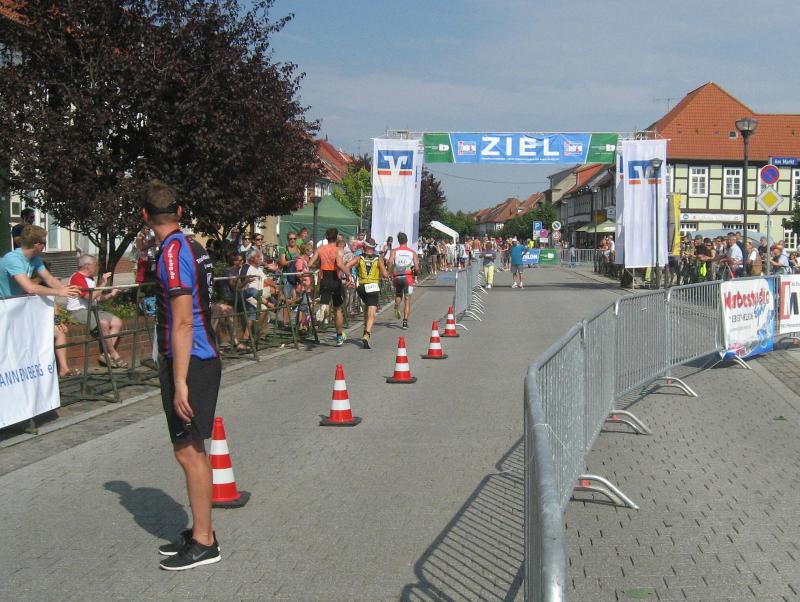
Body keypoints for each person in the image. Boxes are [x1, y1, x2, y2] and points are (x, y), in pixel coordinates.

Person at [141, 180, 222, 571]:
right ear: (180, 211)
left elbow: (184, 320)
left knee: (187, 452)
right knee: (192, 450)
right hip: (200, 357)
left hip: (191, 360)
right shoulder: (192, 246)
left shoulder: (172, 253)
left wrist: (179, 382)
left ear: (145, 216)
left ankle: (205, 542)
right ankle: (201, 531)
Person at [67, 255, 127, 368]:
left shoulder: (90, 279)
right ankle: (113, 353)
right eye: (95, 265)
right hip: (79, 311)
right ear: (87, 266)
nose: (96, 267)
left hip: (92, 309)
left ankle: (106, 355)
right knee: (104, 323)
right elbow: (88, 297)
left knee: (117, 322)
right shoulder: (77, 278)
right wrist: (103, 284)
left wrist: (111, 294)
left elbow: (97, 298)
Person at [0, 225, 79, 300]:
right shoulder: (13, 259)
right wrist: (58, 292)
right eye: (45, 243)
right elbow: (30, 288)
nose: (45, 246)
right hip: (4, 304)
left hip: (15, 303)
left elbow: (49, 279)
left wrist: (67, 289)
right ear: (37, 245)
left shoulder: (35, 259)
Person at [308, 228, 352, 346]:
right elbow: (340, 264)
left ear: (326, 237)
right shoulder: (338, 249)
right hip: (335, 278)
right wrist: (348, 274)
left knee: (325, 302)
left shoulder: (320, 249)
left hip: (324, 278)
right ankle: (339, 336)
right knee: (337, 309)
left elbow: (310, 264)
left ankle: (323, 309)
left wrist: (319, 265)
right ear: (336, 237)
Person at [345, 238, 388, 348]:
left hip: (362, 287)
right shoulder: (378, 259)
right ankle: (367, 334)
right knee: (372, 312)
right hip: (373, 287)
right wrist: (384, 274)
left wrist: (349, 277)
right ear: (373, 247)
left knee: (367, 307)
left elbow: (346, 266)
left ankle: (365, 328)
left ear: (365, 246)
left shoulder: (359, 257)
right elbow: (385, 274)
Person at [388, 232, 419, 330]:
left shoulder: (394, 251)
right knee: (407, 300)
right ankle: (405, 322)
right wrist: (415, 273)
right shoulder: (412, 252)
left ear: (398, 241)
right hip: (408, 277)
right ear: (407, 240)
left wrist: (390, 273)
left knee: (398, 294)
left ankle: (396, 305)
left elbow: (390, 262)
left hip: (397, 276)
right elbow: (417, 268)